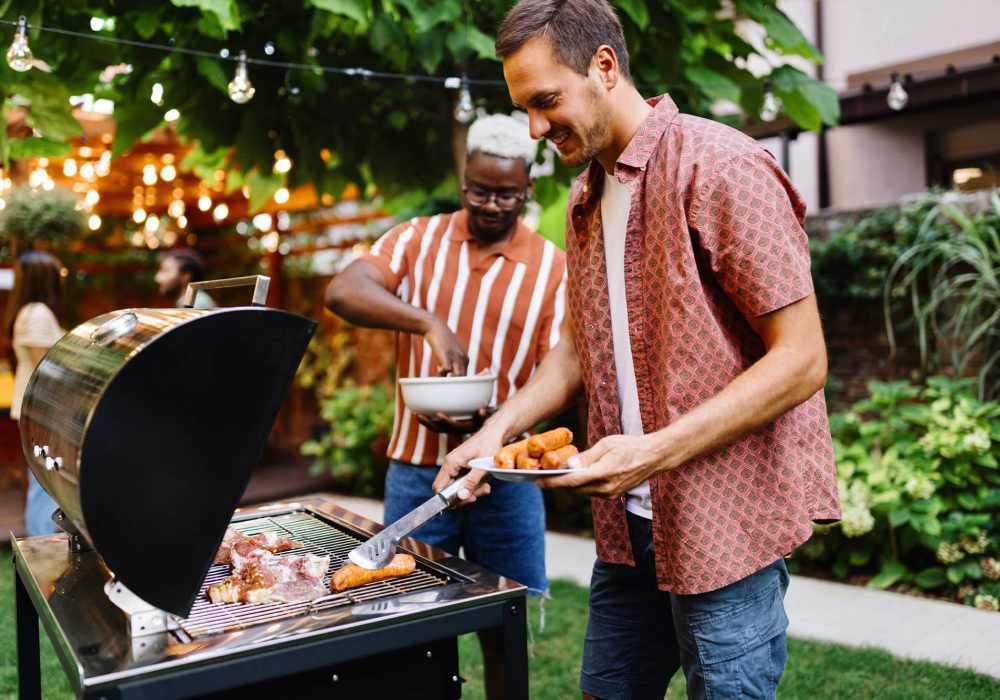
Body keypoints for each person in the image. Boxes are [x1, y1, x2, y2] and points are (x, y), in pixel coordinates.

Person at [435, 2, 842, 699]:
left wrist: (649, 453)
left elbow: (802, 359)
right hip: (628, 528)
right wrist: (496, 433)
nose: (535, 128)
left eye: (546, 101)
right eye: (525, 109)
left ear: (604, 66)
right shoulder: (584, 198)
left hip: (725, 529)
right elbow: (576, 349)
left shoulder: (720, 166)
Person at [325, 113, 566, 699]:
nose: (491, 204)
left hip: (503, 477)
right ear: (464, 183)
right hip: (416, 473)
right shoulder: (416, 239)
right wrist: (428, 321)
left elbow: (557, 372)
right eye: (480, 190)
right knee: (407, 624)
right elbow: (342, 291)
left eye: (506, 193)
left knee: (502, 619)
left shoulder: (552, 268)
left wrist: (492, 426)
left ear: (528, 188)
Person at [3, 251, 66, 536]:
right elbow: (49, 366)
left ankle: (39, 543)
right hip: (42, 410)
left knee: (41, 481)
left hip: (34, 409)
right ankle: (40, 549)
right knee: (45, 484)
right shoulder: (38, 312)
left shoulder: (28, 311)